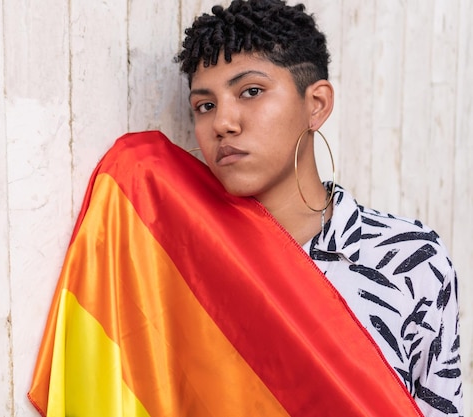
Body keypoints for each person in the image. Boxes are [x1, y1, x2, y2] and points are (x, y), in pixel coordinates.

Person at [175, 0, 462, 416]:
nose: (223, 122)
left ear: (317, 104)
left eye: (250, 91)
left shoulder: (407, 260)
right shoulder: (188, 263)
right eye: (205, 105)